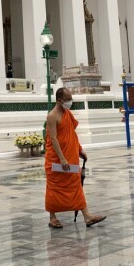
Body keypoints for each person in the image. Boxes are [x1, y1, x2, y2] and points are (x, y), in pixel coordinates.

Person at [45, 88, 106, 229]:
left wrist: (79, 149)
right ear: (59, 100)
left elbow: (72, 134)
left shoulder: (67, 114)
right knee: (54, 189)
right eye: (67, 99)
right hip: (56, 159)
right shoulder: (52, 116)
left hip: (70, 157)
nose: (70, 102)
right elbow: (53, 139)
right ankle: (52, 218)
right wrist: (62, 159)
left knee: (76, 185)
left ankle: (87, 216)